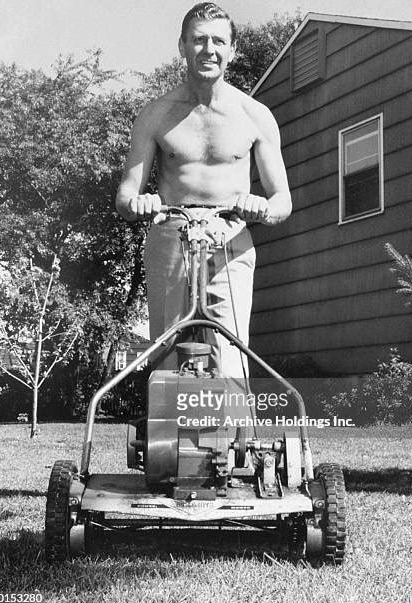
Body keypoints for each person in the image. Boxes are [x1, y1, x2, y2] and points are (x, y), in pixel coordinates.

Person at [116, 2, 292, 378]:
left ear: (232, 49)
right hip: (171, 234)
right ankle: (167, 435)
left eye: (218, 41)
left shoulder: (254, 115)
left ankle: (236, 434)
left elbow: (283, 201)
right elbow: (126, 196)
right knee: (166, 351)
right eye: (198, 40)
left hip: (231, 237)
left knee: (231, 352)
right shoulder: (156, 114)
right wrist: (140, 203)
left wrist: (260, 208)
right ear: (182, 46)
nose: (208, 49)